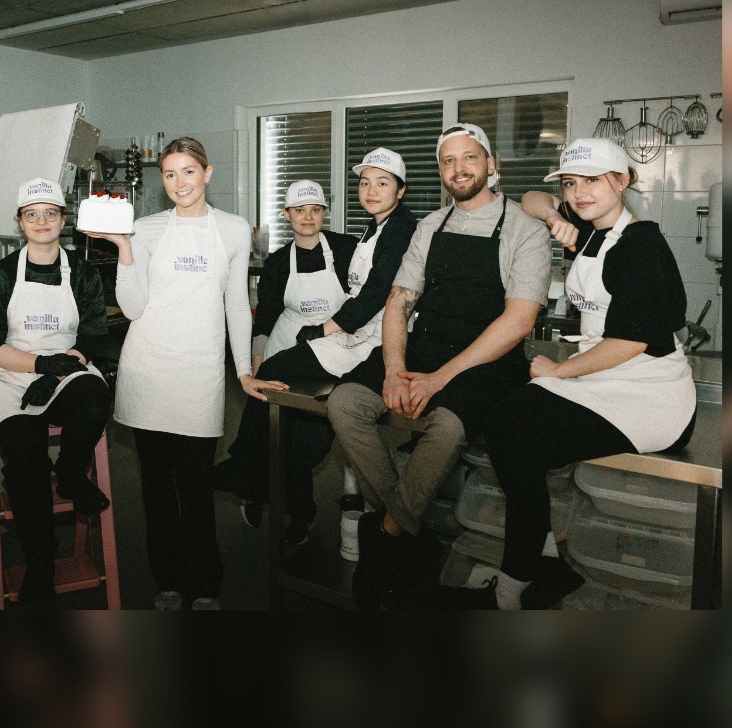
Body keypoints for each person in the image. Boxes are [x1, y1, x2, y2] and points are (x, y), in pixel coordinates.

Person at [453, 137, 697, 610]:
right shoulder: (590, 227)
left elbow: (630, 342)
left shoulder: (641, 245)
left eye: (592, 180)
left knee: (526, 447)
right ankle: (546, 557)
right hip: (603, 379)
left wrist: (560, 370)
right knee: (500, 420)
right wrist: (553, 217)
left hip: (650, 393)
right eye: (570, 183)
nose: (579, 193)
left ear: (622, 181)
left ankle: (513, 586)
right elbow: (531, 198)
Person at [326, 124, 551, 608]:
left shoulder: (525, 230)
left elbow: (519, 320)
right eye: (448, 160)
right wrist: (394, 369)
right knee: (344, 403)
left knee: (446, 426)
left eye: (469, 157)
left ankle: (386, 533)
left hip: (488, 358)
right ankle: (408, 527)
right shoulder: (429, 227)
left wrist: (439, 378)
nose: (458, 168)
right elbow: (398, 303)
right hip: (425, 348)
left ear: (491, 165)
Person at [87, 136, 285, 610]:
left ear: (207, 173)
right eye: (171, 174)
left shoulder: (233, 229)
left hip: (200, 373)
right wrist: (124, 249)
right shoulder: (145, 228)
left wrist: (243, 371)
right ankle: (168, 582)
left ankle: (205, 584)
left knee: (196, 486)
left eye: (189, 172)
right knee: (157, 489)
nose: (180, 183)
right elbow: (132, 308)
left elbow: (236, 304)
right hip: (148, 369)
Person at [213, 152, 419, 544]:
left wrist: (324, 328)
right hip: (302, 342)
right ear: (287, 215)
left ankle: (253, 477)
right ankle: (260, 482)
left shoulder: (349, 246)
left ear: (324, 213)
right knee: (275, 413)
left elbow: (373, 293)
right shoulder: (279, 262)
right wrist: (256, 369)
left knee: (304, 445)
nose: (307, 217)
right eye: (299, 210)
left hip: (342, 339)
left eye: (315, 210)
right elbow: (265, 318)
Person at [0, 178, 113, 604]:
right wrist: (38, 365)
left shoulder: (83, 273)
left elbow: (92, 334)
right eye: (31, 214)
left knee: (95, 399)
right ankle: (40, 565)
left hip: (67, 367)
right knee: (26, 462)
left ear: (63, 220)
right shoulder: (2, 275)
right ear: (20, 222)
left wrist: (55, 372)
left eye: (49, 213)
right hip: (10, 374)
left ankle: (70, 474)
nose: (41, 221)